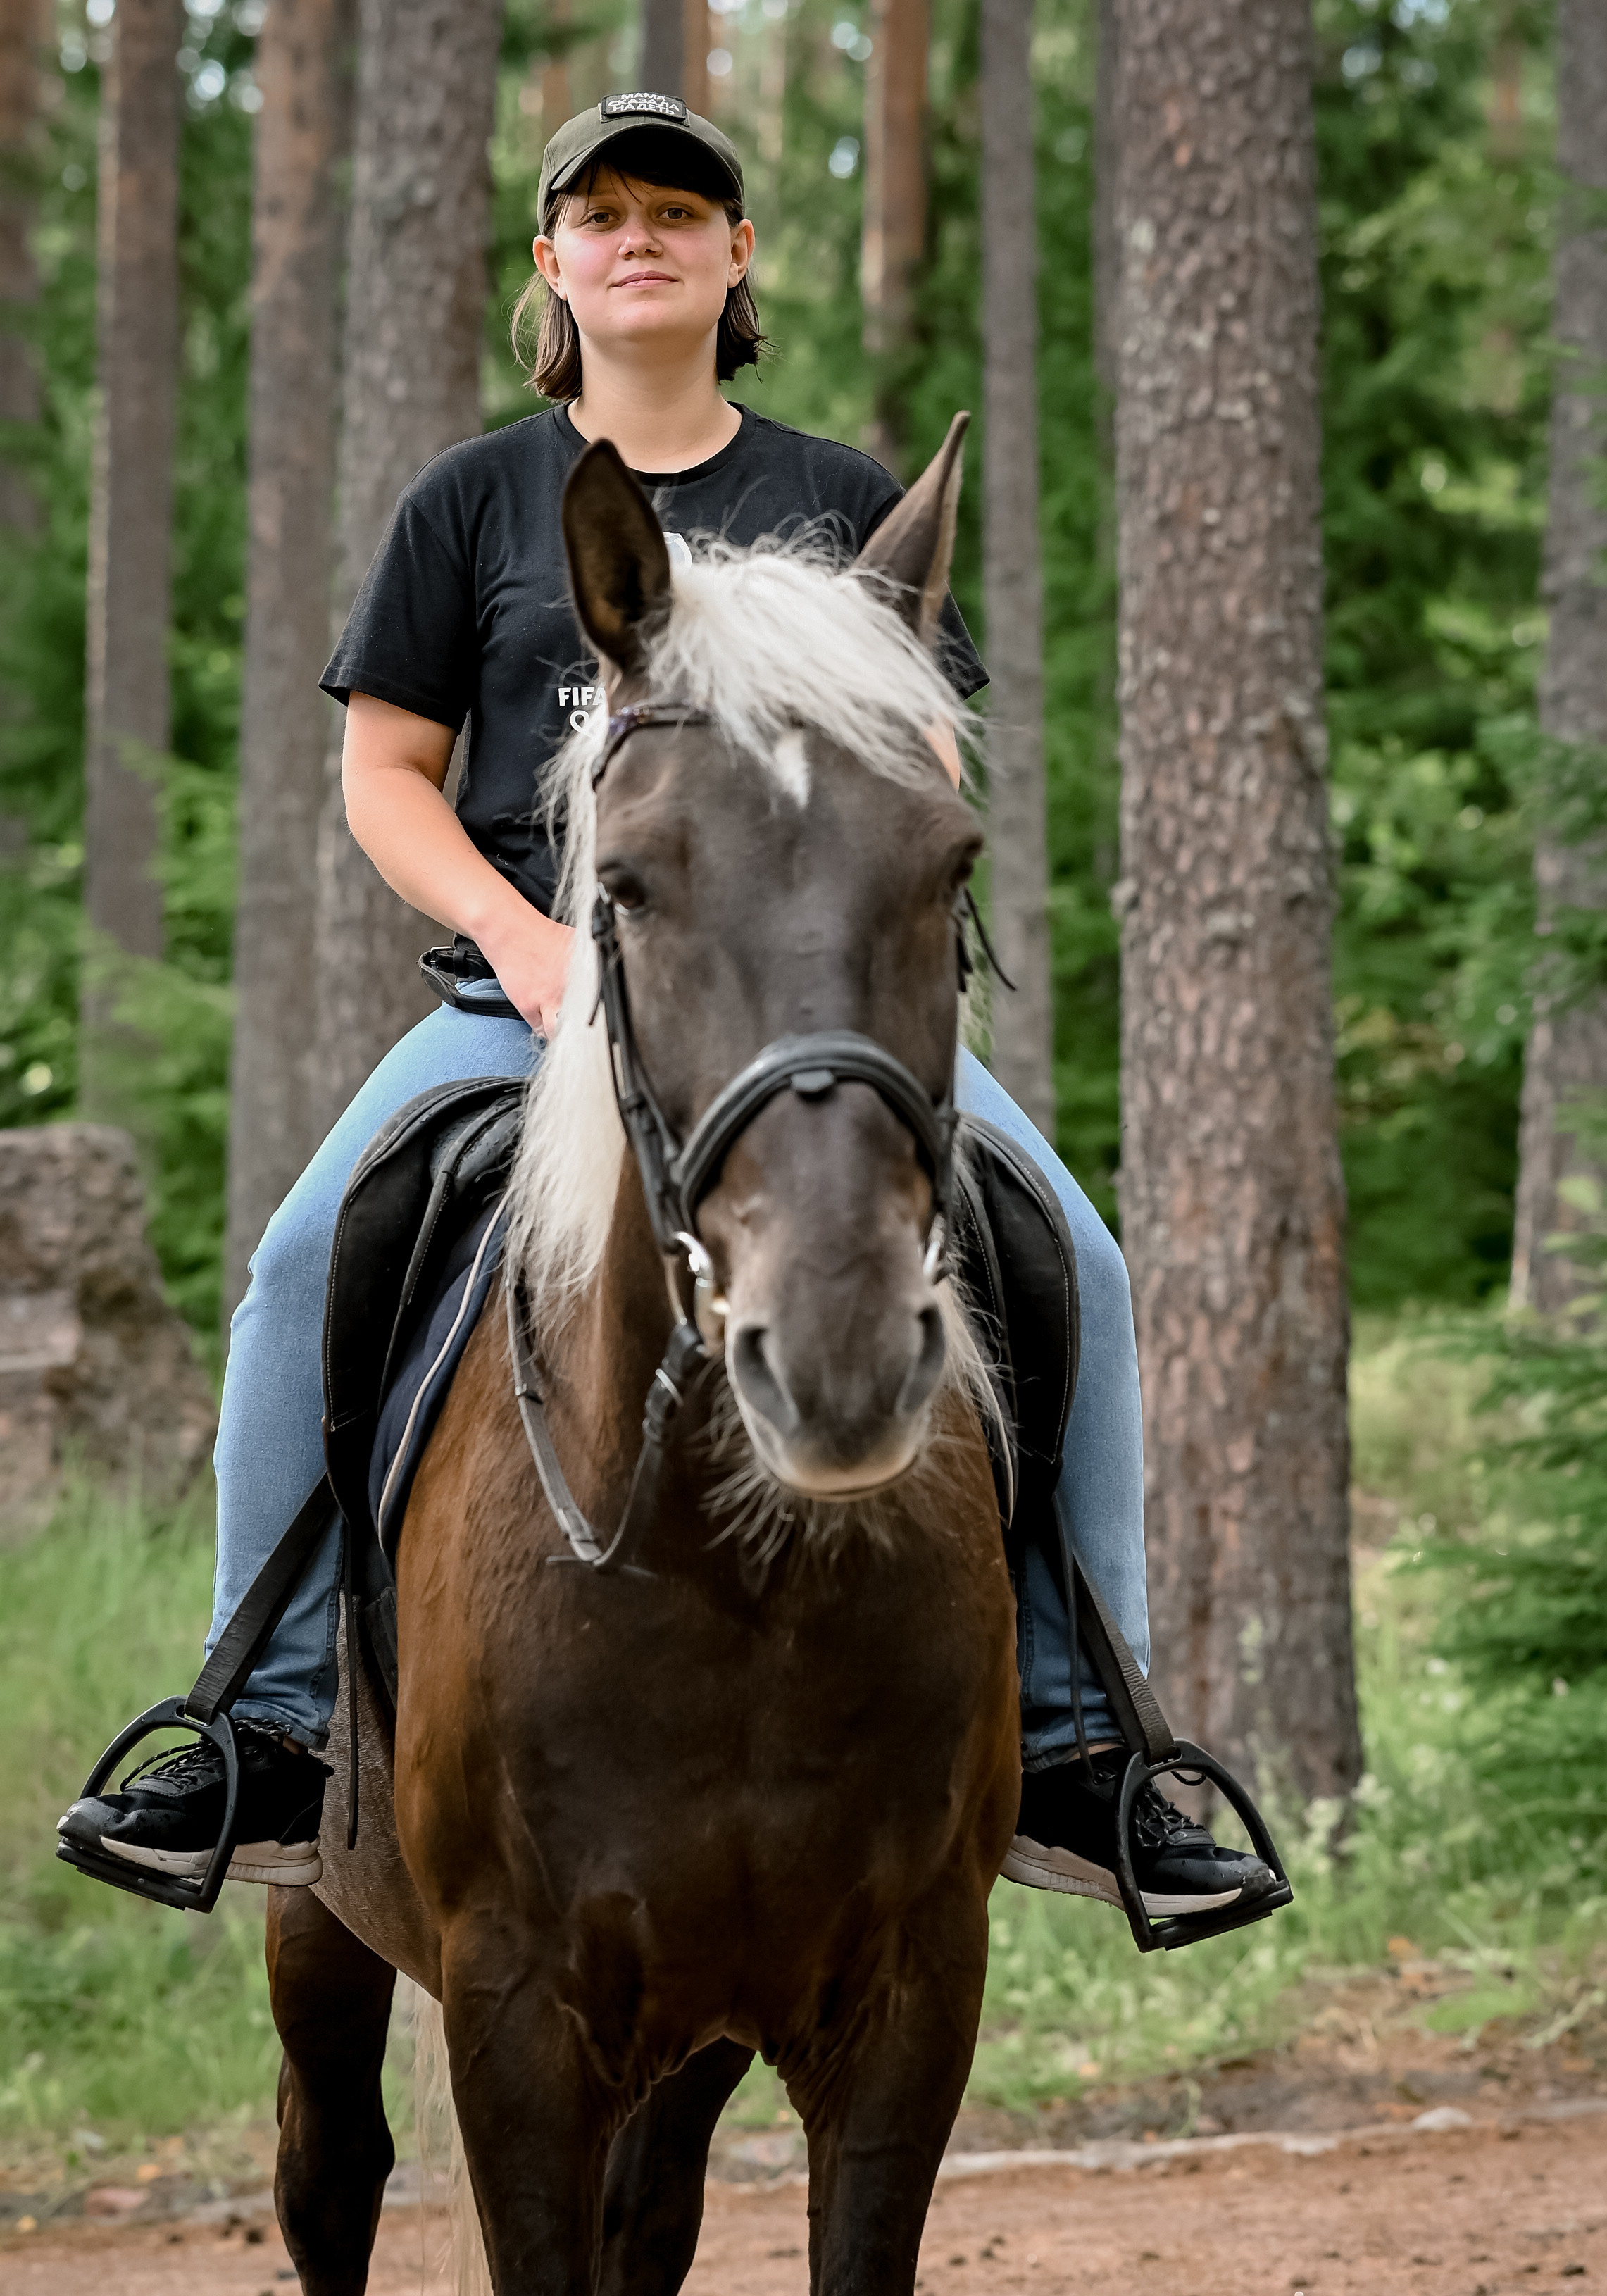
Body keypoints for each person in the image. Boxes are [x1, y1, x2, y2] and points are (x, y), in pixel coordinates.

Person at [59, 96, 1274, 1926]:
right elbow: (385, 772)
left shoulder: (842, 495)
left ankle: (1091, 1737)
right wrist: (520, 940)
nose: (643, 239)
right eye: (602, 216)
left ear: (735, 257)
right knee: (305, 1260)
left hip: (794, 1017)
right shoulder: (471, 501)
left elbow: (917, 762)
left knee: (1073, 1261)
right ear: (552, 263)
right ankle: (274, 1725)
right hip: (525, 1009)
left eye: (681, 213)